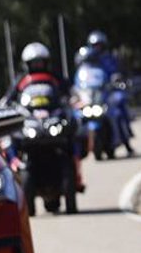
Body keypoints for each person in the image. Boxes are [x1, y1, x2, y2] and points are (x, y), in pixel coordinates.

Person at [5, 42, 85, 195]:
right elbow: (6, 101)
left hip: (53, 121)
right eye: (34, 63)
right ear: (27, 64)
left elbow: (72, 93)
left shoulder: (56, 78)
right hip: (31, 123)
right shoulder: (20, 81)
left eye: (40, 62)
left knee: (75, 132)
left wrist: (77, 101)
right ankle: (14, 172)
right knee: (9, 138)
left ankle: (77, 173)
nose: (37, 65)